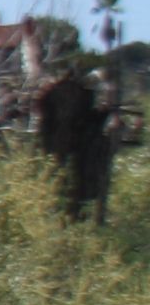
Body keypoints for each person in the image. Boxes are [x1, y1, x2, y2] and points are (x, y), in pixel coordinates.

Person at [34, 58, 116, 223]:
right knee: (67, 186)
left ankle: (70, 216)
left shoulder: (58, 93)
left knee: (63, 185)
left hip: (65, 148)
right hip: (69, 147)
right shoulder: (72, 94)